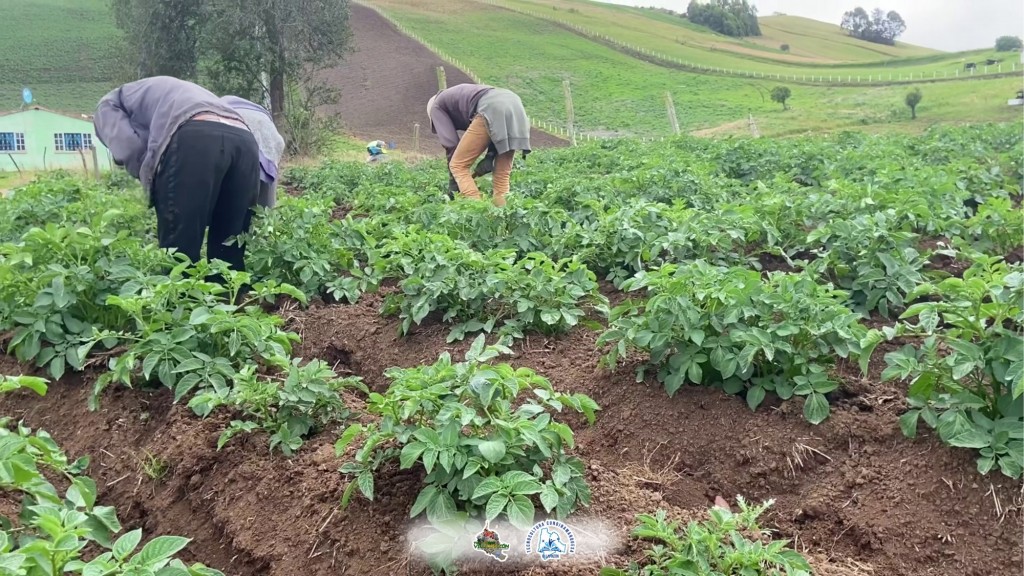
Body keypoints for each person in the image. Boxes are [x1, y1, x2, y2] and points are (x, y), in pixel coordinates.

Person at [93, 76, 260, 273]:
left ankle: (181, 302)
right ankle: (230, 300)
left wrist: (156, 184)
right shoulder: (165, 90)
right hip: (245, 140)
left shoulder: (106, 106)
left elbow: (129, 148)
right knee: (229, 246)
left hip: (195, 134)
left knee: (180, 250)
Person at [426, 83, 531, 207]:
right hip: (515, 105)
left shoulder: (436, 107)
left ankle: (478, 210)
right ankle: (503, 216)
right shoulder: (456, 96)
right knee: (502, 174)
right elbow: (496, 128)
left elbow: (451, 144)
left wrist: (454, 185)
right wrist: (490, 156)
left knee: (458, 166)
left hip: (491, 107)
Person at [220, 95, 285, 209]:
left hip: (241, 126)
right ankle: (265, 215)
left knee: (235, 179)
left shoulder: (217, 107)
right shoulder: (252, 108)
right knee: (266, 178)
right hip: (269, 131)